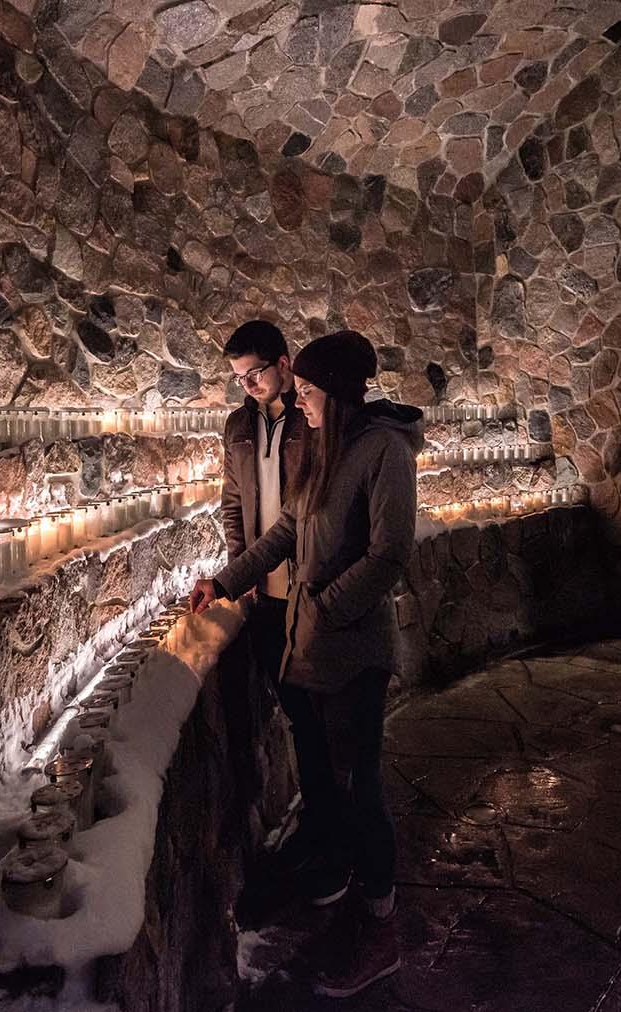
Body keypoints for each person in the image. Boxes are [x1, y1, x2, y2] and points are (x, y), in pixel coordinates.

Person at [192, 329, 422, 999]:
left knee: (362, 786)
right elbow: (289, 530)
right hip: (313, 647)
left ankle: (379, 931)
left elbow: (389, 554)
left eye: (313, 392)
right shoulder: (326, 447)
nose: (304, 402)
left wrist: (323, 604)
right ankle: (350, 897)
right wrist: (227, 581)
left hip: (352, 651)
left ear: (338, 394)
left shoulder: (383, 450)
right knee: (336, 779)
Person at [216, 321, 325, 898]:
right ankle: (318, 818)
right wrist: (240, 572)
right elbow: (234, 504)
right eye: (239, 378)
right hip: (262, 591)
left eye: (255, 372)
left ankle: (326, 828)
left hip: (304, 586)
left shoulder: (311, 421)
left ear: (284, 363)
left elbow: (304, 514)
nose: (248, 385)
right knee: (293, 709)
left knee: (313, 715)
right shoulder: (237, 425)